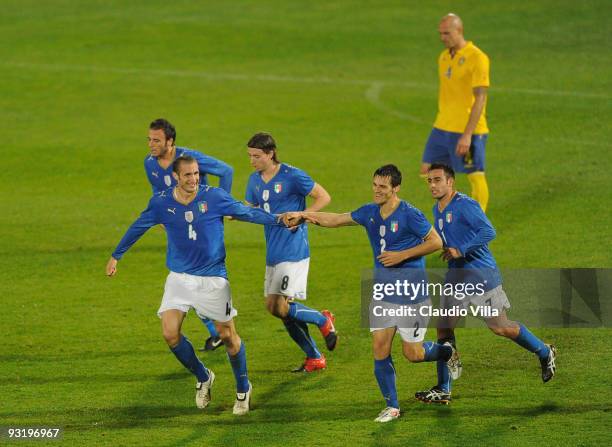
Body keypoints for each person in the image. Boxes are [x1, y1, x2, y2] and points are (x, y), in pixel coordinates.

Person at [282, 164, 460, 423]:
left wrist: (401, 255)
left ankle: (446, 351)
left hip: (412, 294)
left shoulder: (410, 214)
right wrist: (304, 214)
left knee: (413, 354)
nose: (377, 190)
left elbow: (435, 242)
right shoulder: (370, 212)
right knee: (379, 347)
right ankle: (392, 406)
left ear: (396, 188)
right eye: (375, 185)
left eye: (383, 187)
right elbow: (338, 219)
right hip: (383, 292)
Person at [106, 155, 283, 415]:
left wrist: (279, 219)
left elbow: (247, 213)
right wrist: (116, 255)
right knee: (170, 333)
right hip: (179, 277)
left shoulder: (215, 197)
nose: (194, 179)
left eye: (196, 173)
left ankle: (243, 387)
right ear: (176, 177)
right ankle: (203, 377)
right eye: (188, 175)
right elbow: (138, 226)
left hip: (213, 278)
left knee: (227, 336)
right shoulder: (161, 202)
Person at [415, 163, 557, 404]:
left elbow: (488, 231)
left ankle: (545, 351)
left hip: (481, 276)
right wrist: (447, 249)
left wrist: (461, 249)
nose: (432, 185)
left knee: (500, 326)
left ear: (450, 182)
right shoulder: (437, 208)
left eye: (437, 180)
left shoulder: (465, 205)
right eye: (429, 181)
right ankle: (443, 388)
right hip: (457, 275)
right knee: (444, 326)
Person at [245, 132, 337, 373]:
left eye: (256, 156)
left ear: (270, 153)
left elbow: (323, 196)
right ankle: (314, 357)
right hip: (273, 251)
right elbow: (252, 209)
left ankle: (322, 319)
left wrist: (303, 215)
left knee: (275, 306)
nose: (252, 160)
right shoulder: (254, 181)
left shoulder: (292, 176)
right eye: (249, 156)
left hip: (293, 249)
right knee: (283, 311)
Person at [146, 118, 234, 351]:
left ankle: (219, 331)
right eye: (149, 139)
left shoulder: (189, 159)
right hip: (177, 223)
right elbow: (158, 191)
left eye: (156, 140)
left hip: (201, 225)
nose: (151, 145)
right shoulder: (149, 163)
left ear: (170, 142)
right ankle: (216, 332)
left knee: (195, 275)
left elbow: (226, 171)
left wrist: (222, 204)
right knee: (185, 277)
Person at [420, 13, 491, 212]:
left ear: (459, 31)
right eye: (440, 33)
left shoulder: (477, 58)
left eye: (447, 33)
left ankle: (477, 223)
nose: (443, 37)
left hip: (468, 130)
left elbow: (481, 98)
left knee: (474, 174)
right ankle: (450, 212)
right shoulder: (443, 57)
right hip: (442, 127)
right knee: (428, 170)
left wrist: (467, 135)